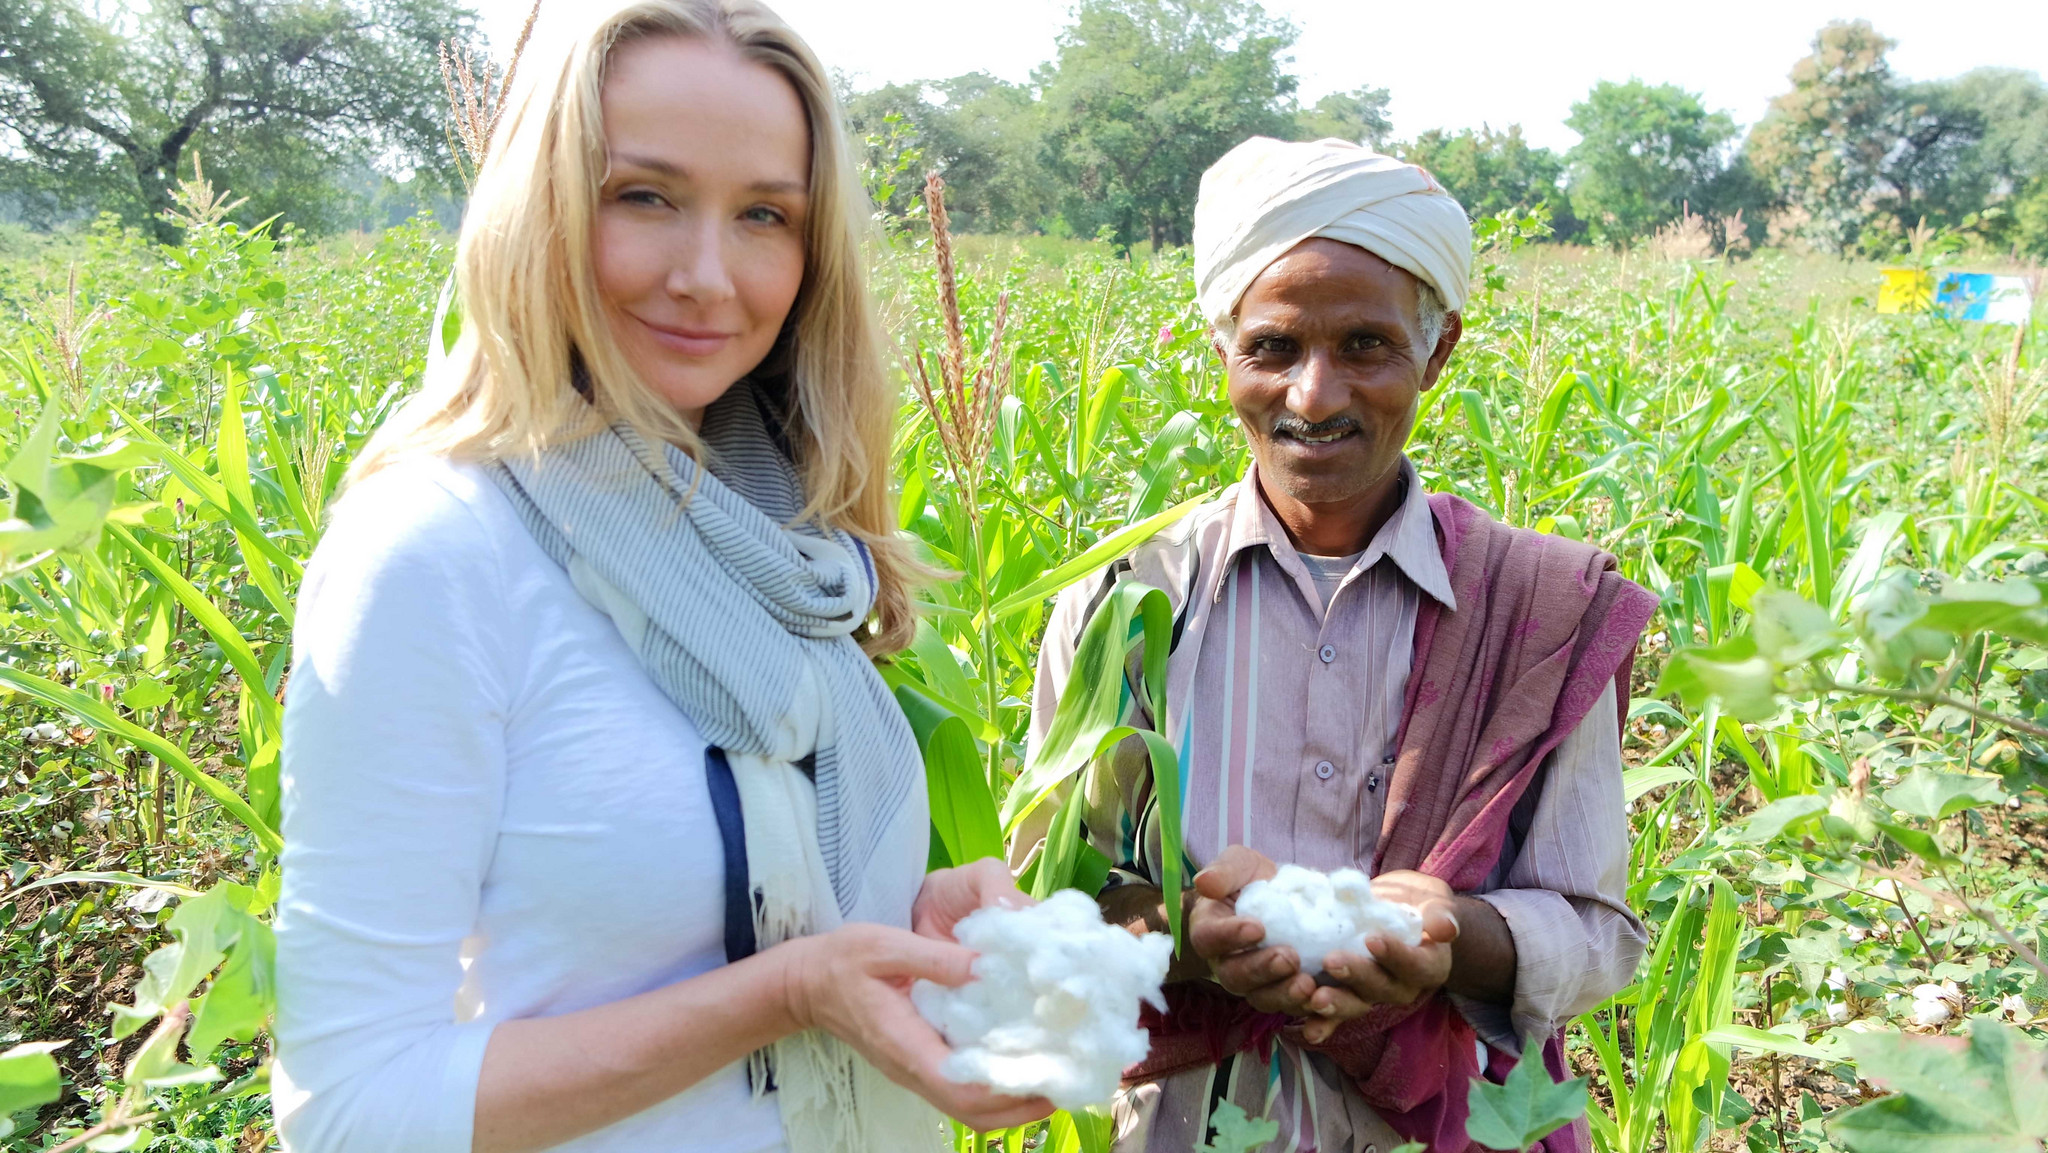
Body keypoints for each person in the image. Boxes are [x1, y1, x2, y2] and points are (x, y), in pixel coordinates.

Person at [272, 3, 1051, 1151]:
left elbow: (734, 890)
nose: (706, 276)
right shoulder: (438, 550)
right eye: (643, 196)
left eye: (763, 216)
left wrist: (904, 921)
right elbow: (350, 1107)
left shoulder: (777, 532)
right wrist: (784, 993)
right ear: (538, 205)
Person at [1020, 137, 1659, 1153]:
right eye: (1272, 347)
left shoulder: (1537, 606)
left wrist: (1454, 937)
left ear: (1435, 350)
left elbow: (1595, 933)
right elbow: (1058, 906)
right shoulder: (1124, 609)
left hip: (1463, 1121)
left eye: (1364, 345)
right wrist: (1191, 942)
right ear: (1224, 350)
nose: (1313, 397)